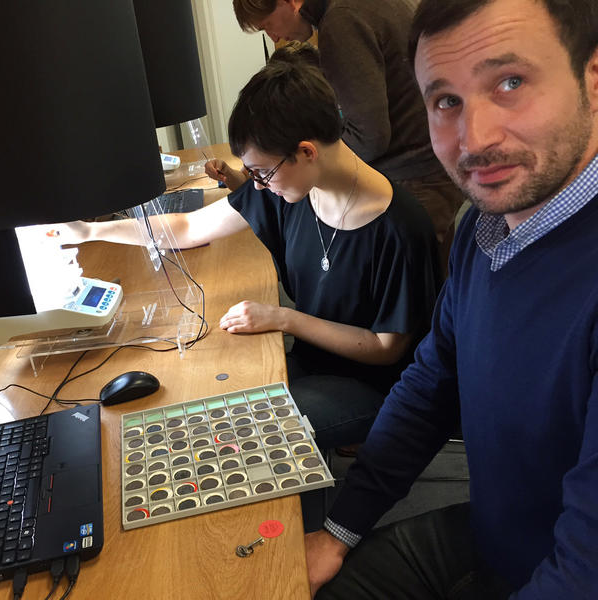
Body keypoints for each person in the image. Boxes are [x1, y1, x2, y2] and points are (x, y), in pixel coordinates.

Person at [304, 0, 598, 597]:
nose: (476, 138)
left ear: (593, 77)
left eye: (510, 83)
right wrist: (339, 528)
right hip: (493, 540)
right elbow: (432, 383)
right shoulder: (481, 227)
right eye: (446, 101)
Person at [57, 57, 440, 452]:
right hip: (311, 363)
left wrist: (284, 318)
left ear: (306, 151)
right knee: (210, 395)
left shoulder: (400, 228)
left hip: (375, 390)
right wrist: (91, 231)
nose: (255, 186)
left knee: (244, 433)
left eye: (261, 172)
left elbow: (384, 349)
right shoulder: (293, 189)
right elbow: (188, 228)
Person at [231, 0, 464, 272]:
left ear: (289, 2)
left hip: (412, 179)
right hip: (434, 167)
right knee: (439, 285)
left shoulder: (343, 21)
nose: (275, 37)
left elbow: (369, 137)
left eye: (268, 25)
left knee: (402, 298)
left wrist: (308, 161)